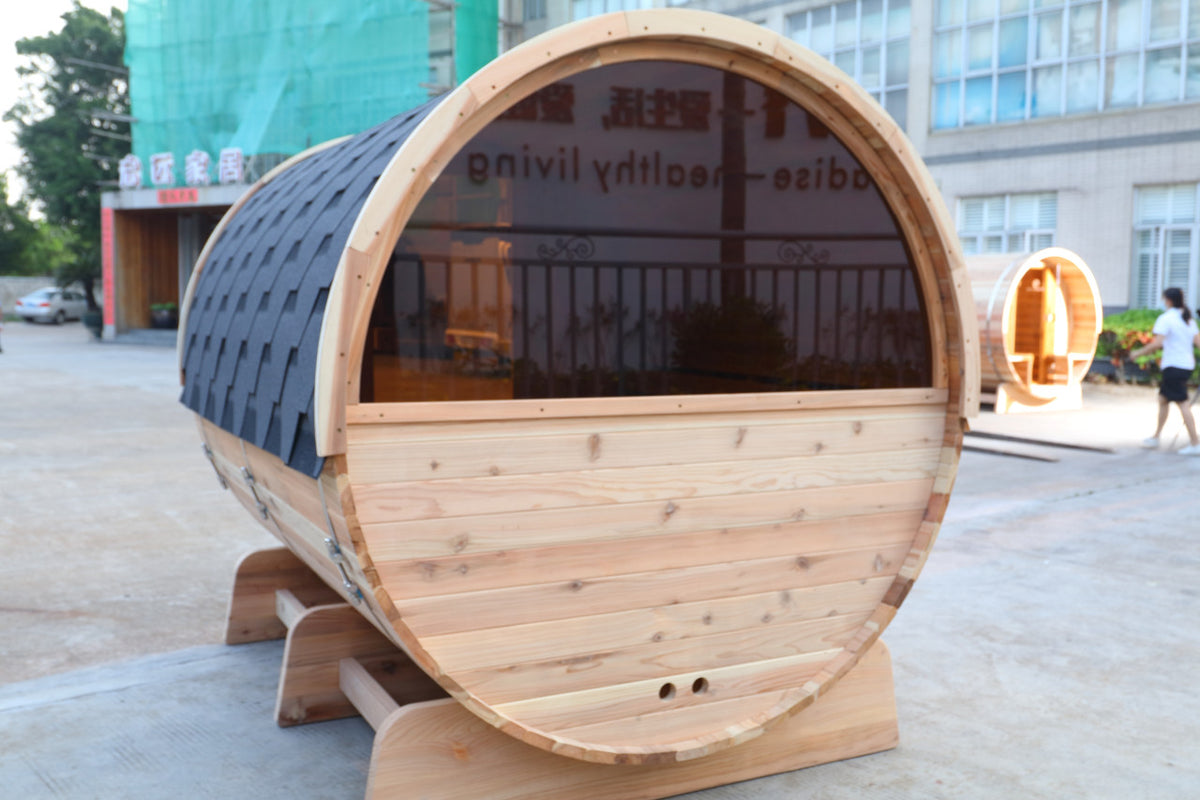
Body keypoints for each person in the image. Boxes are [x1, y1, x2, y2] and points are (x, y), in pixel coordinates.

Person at [1131, 287, 1200, 455]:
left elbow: (1157, 343)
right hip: (1185, 365)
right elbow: (1198, 342)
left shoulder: (1166, 319)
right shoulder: (1189, 319)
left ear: (1168, 300)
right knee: (1163, 399)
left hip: (1174, 366)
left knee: (1182, 403)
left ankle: (1195, 443)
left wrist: (1138, 353)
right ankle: (1156, 436)